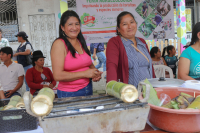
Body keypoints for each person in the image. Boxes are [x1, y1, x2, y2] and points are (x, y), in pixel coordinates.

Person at [51, 10, 102, 98]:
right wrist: (85, 74)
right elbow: (57, 75)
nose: (74, 28)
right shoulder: (59, 44)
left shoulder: (80, 41)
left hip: (88, 88)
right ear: (62, 27)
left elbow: (88, 63)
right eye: (70, 24)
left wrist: (95, 73)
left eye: (77, 24)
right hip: (69, 94)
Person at [106, 11, 155, 87]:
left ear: (136, 24)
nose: (129, 26)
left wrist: (155, 87)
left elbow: (150, 67)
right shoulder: (114, 42)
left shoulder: (142, 42)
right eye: (125, 24)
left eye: (132, 22)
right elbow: (111, 66)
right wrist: (112, 87)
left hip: (148, 90)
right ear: (118, 29)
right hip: (129, 94)